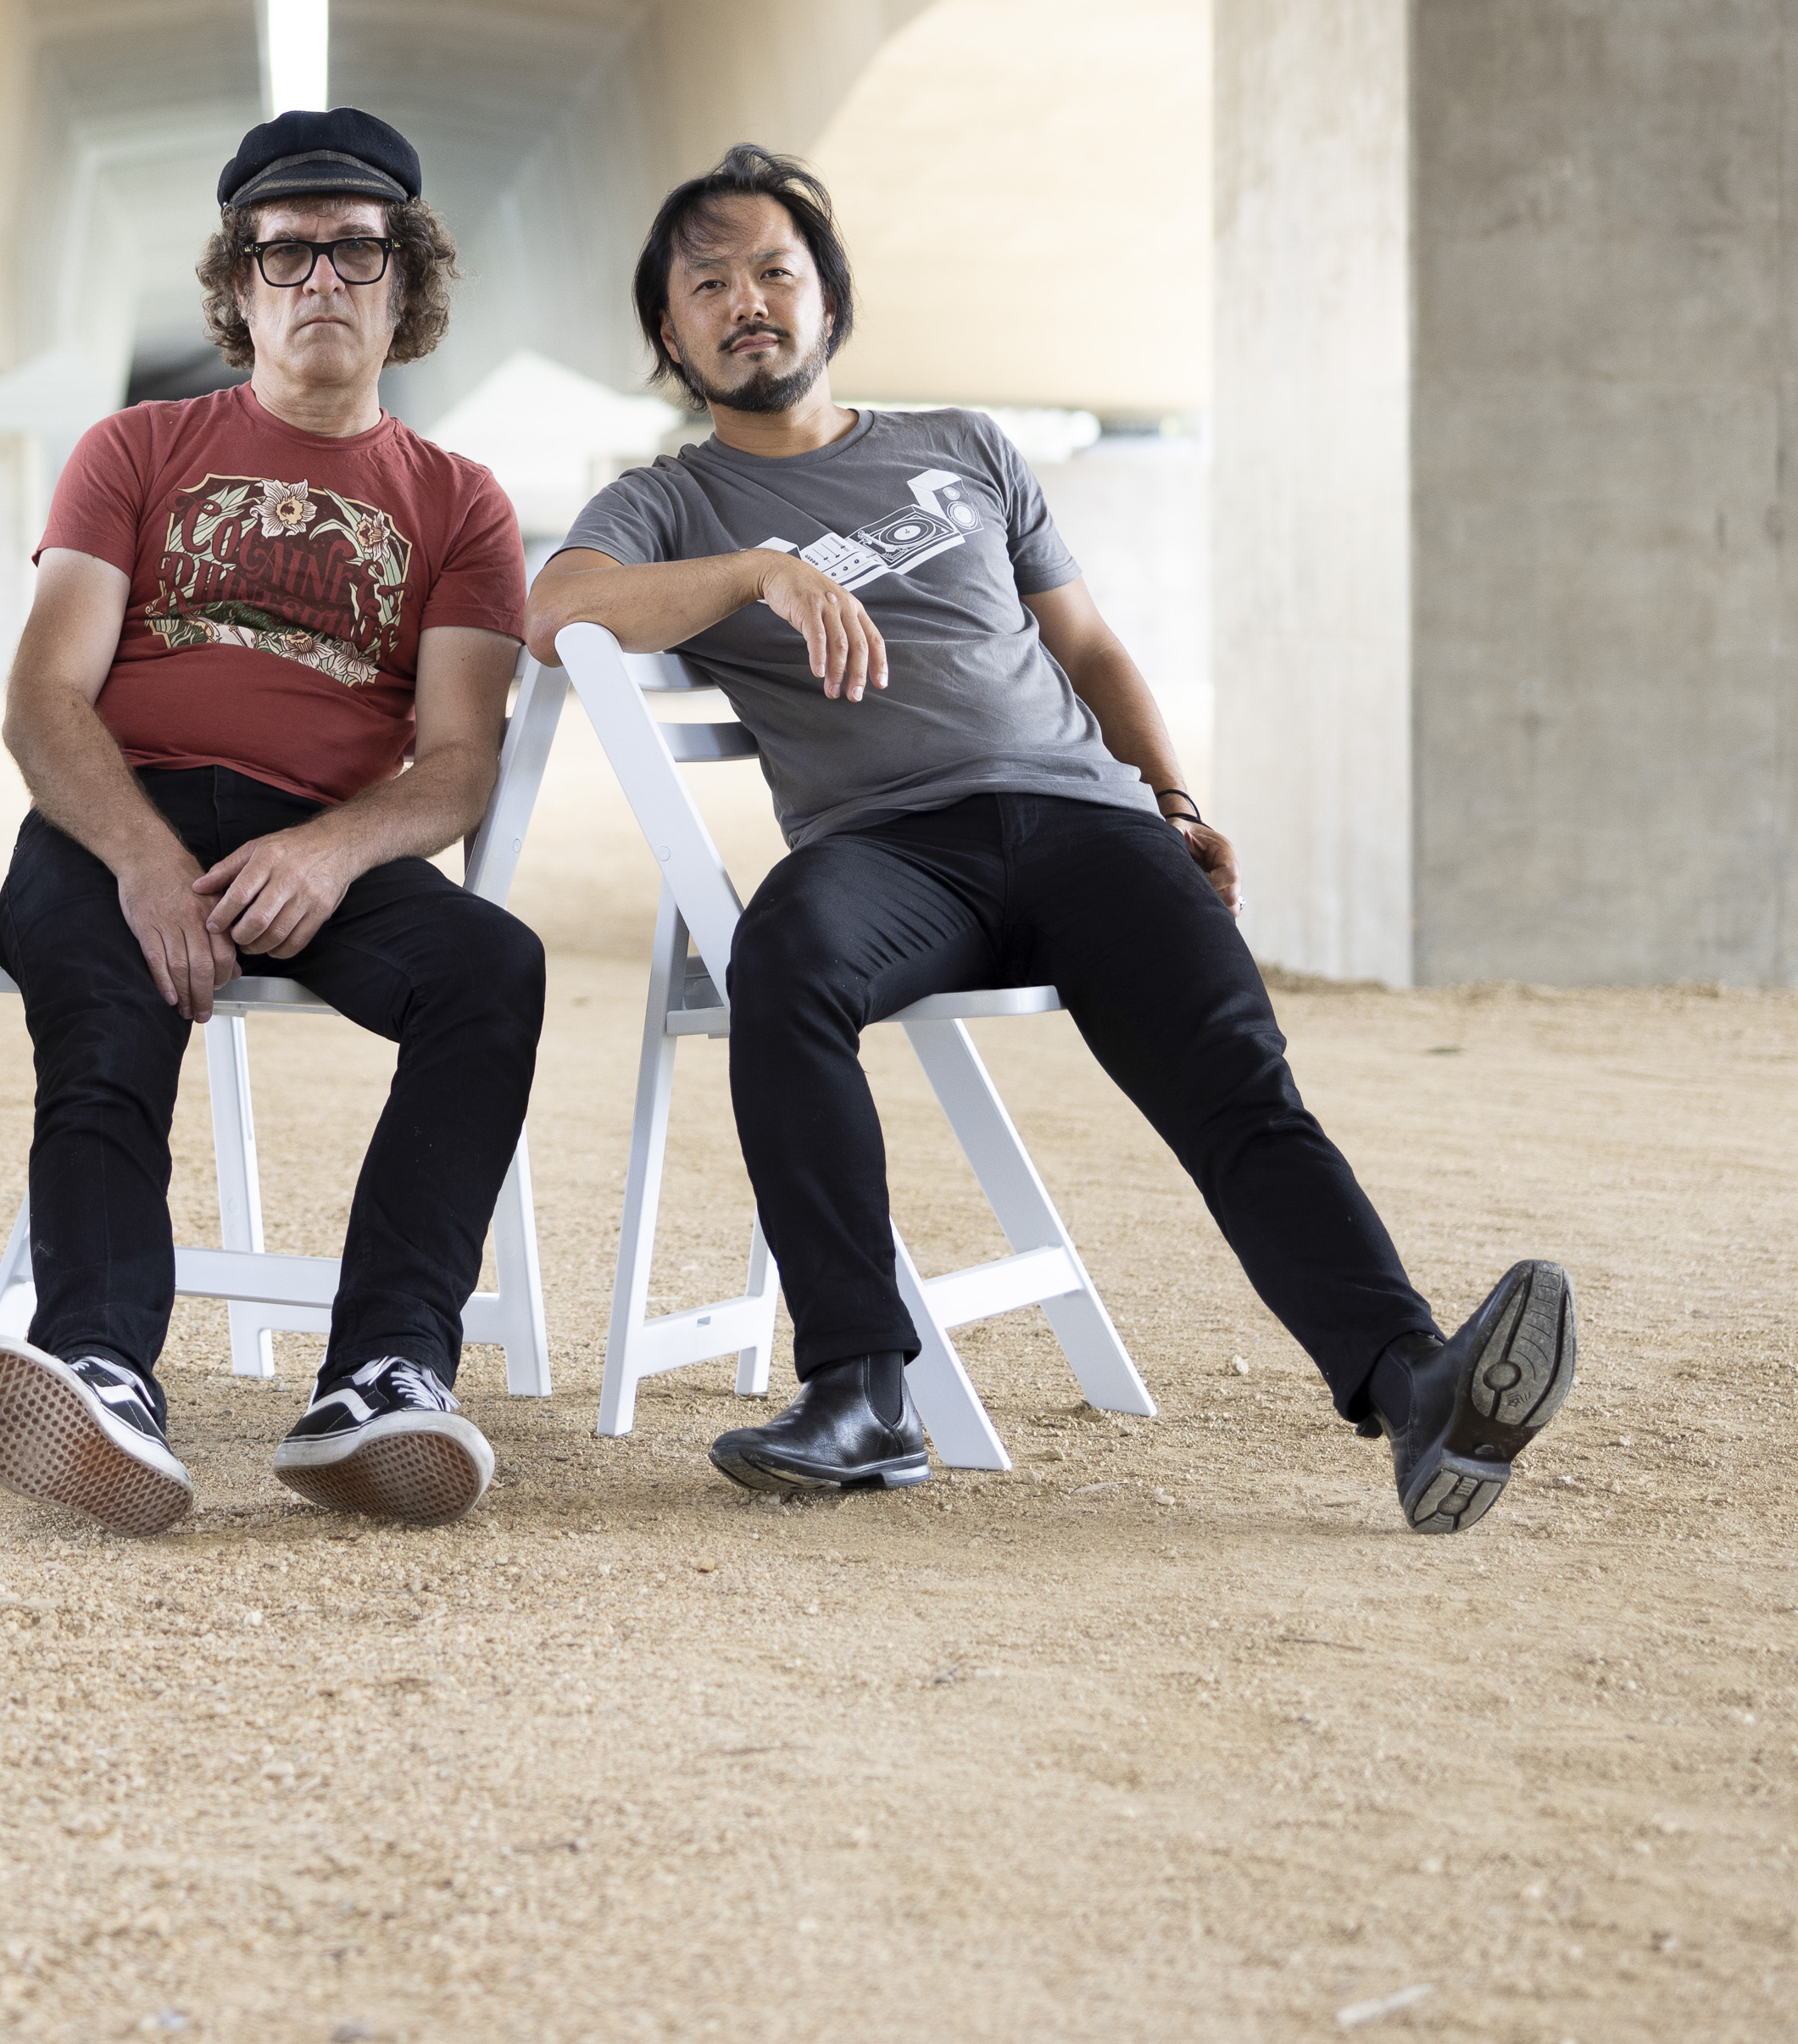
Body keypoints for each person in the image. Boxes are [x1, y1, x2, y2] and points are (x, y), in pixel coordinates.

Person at [529, 142, 1577, 1532]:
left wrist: (1175, 802)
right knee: (785, 962)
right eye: (708, 285)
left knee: (1233, 1075)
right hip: (889, 852)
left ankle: (1416, 1386)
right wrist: (758, 573)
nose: (748, 303)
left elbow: (1087, 647)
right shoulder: (672, 501)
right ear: (671, 334)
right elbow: (558, 611)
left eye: (775, 271)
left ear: (829, 301)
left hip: (1087, 826)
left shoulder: (964, 447)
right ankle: (858, 1394)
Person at [0, 107, 544, 1537]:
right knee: (108, 1007)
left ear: (406, 282)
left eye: (357, 250)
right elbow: (42, 701)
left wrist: (331, 848)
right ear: (239, 284)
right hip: (115, 810)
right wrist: (145, 863)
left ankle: (383, 1376)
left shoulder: (461, 503)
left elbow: (461, 761)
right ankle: (99, 1369)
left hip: (316, 837)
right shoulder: (136, 446)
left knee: (493, 970)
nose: (322, 278)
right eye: (286, 253)